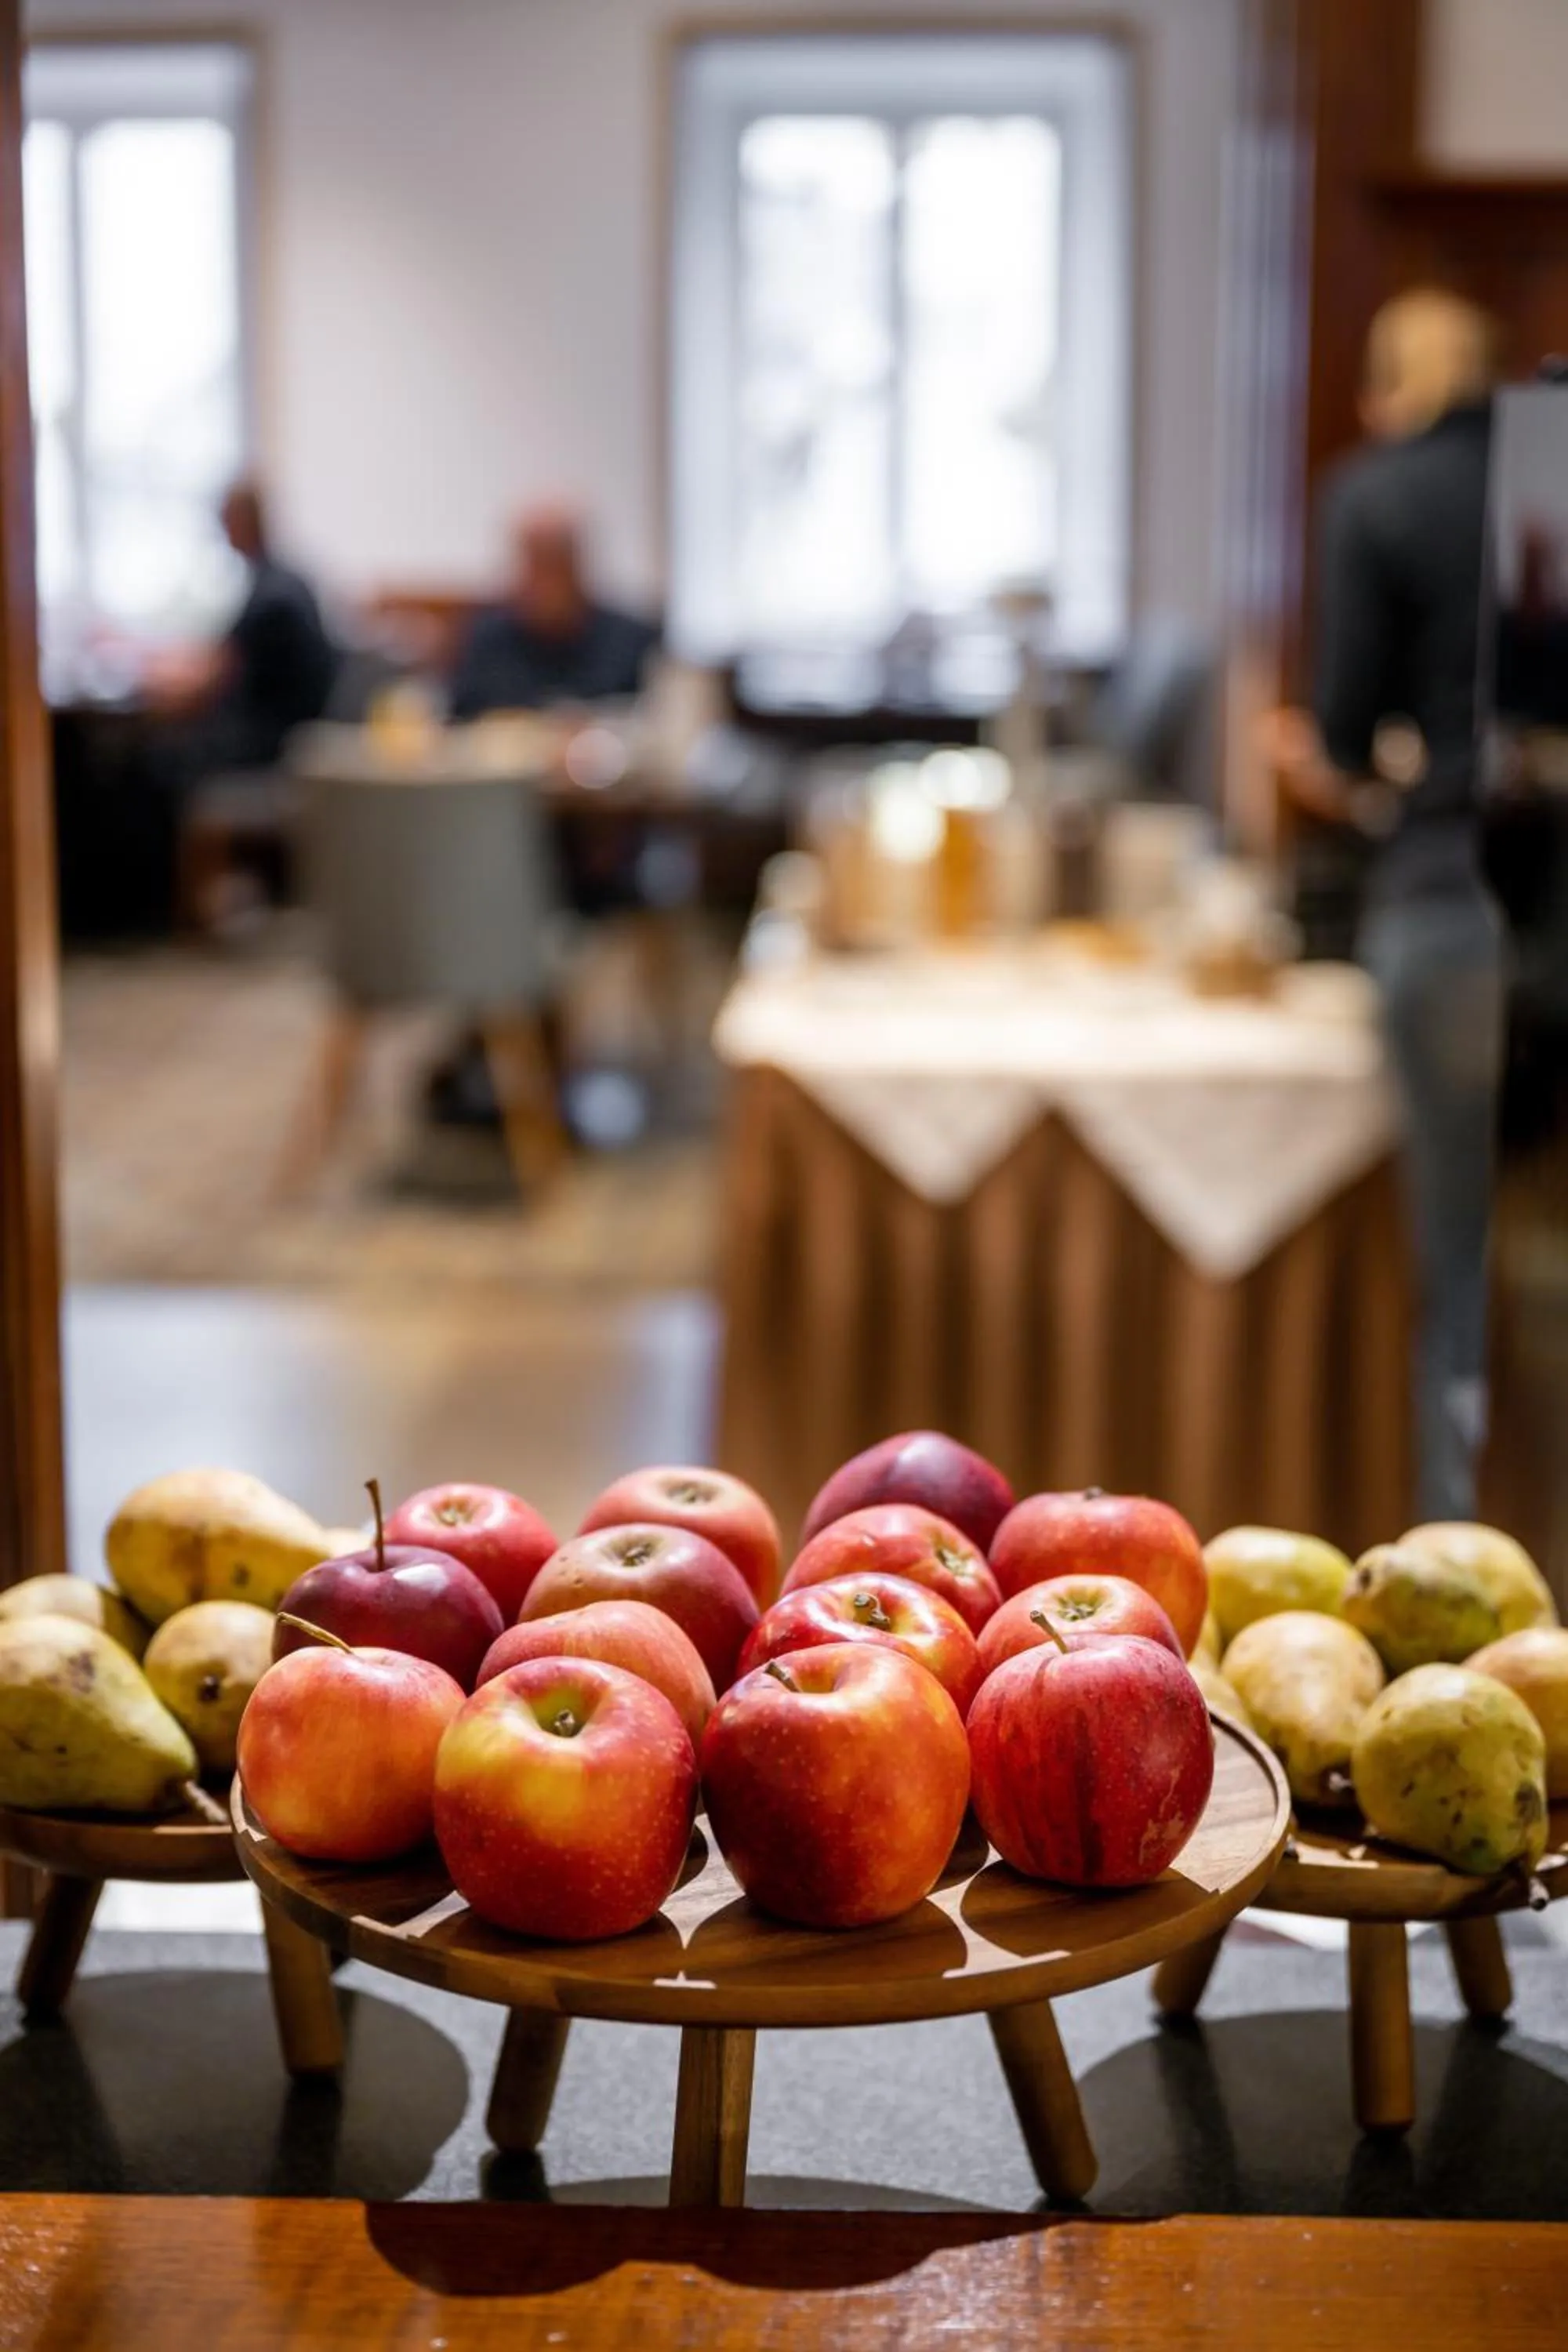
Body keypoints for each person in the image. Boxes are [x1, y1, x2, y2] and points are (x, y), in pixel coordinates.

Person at [1263, 289, 1504, 1520]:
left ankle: (1463, 1559)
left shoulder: (1379, 490)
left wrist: (1314, 758)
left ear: (1387, 385)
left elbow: (1349, 740)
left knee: (1453, 1263)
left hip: (1456, 900)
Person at [148, 480, 336, 764]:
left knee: (157, 758)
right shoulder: (281, 581)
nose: (222, 532)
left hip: (273, 742)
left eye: (224, 521)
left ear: (241, 522)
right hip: (281, 731)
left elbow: (217, 673)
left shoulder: (273, 598)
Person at [449, 506, 659, 717]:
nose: (545, 580)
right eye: (535, 561)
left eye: (555, 560)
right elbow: (459, 722)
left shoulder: (632, 642)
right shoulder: (487, 640)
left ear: (578, 565)